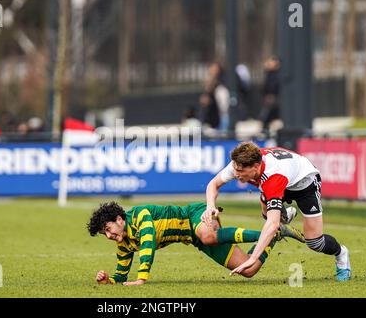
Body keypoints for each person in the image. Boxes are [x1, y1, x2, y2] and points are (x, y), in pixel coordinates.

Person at [203, 141, 351, 281]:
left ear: (256, 166)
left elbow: (272, 224)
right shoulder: (239, 163)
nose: (236, 174)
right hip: (282, 180)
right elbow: (213, 184)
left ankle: (341, 253)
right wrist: (210, 206)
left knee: (315, 242)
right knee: (268, 211)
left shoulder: (273, 178)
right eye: (235, 169)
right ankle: (285, 215)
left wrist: (252, 259)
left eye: (241, 171)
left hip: (305, 184)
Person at [87, 201, 305, 285]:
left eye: (107, 229)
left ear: (119, 219)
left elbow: (148, 244)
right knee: (249, 269)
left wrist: (142, 278)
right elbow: (121, 275)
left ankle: (268, 229)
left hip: (195, 215)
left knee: (208, 236)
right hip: (194, 239)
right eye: (103, 234)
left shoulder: (139, 215)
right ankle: (276, 233)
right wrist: (109, 281)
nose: (108, 236)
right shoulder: (124, 242)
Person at [259, 56, 281, 135]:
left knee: (267, 118)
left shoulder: (276, 75)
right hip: (270, 100)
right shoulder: (269, 74)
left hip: (275, 100)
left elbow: (273, 86)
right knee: (265, 119)